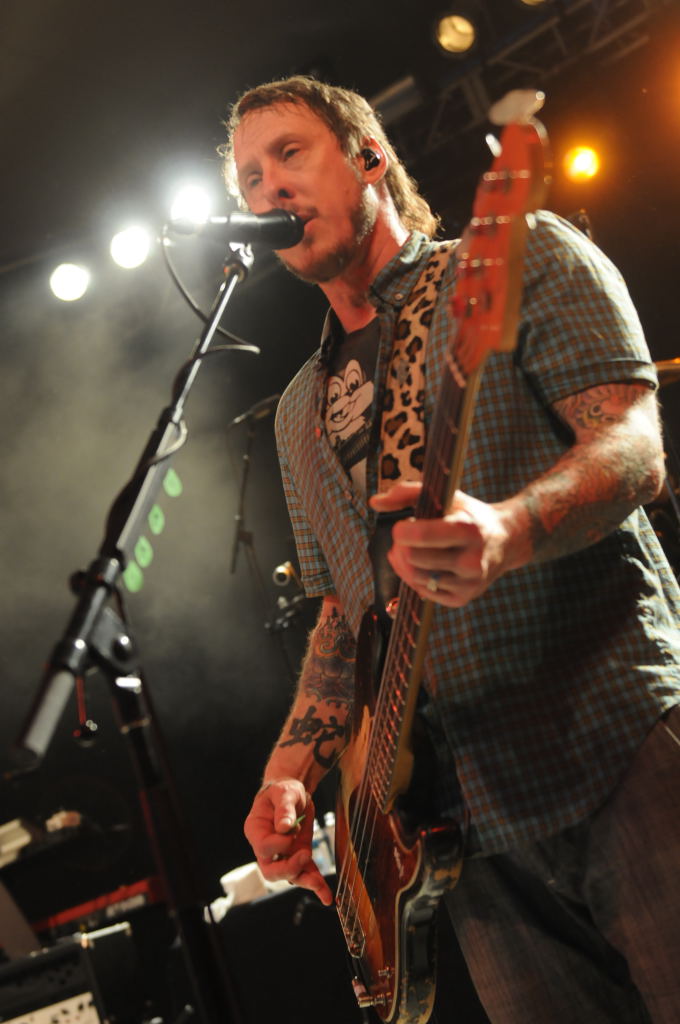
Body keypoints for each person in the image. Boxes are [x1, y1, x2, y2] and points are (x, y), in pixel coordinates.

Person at [223, 75, 680, 1023]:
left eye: (289, 154)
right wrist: (289, 774)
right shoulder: (299, 409)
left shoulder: (521, 255)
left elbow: (634, 448)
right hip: (463, 827)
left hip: (617, 739)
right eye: (249, 177)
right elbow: (346, 615)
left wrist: (507, 530)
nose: (267, 188)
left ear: (369, 158)